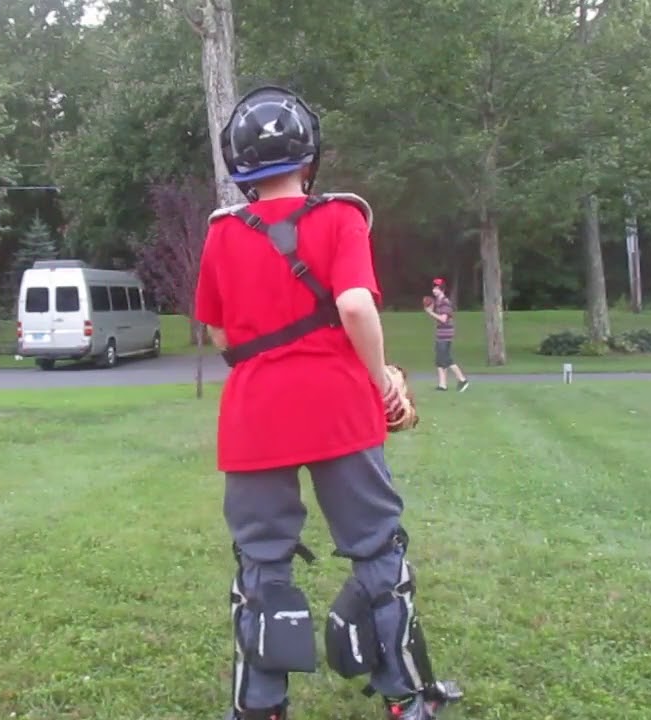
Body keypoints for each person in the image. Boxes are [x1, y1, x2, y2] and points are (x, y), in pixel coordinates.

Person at [194, 85, 463, 720]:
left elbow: (219, 332)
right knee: (376, 551)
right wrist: (381, 378)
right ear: (308, 157)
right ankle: (405, 698)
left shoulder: (222, 234)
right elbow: (353, 304)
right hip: (339, 407)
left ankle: (261, 707)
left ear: (239, 166)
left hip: (255, 414)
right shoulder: (341, 218)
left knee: (261, 565)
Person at [424, 279, 469, 392]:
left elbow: (443, 319)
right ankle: (442, 385)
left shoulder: (445, 302)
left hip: (446, 334)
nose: (434, 290)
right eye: (434, 288)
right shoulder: (438, 302)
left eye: (437, 288)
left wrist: (430, 312)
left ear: (442, 289)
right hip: (440, 333)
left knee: (446, 358)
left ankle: (462, 380)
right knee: (439, 359)